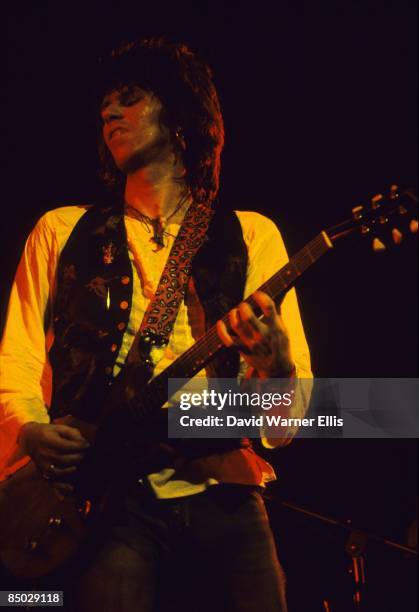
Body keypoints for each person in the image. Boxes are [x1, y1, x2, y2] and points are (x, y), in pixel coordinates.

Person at [0, 38, 312, 611]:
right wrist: (29, 430)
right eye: (104, 107)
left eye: (130, 99)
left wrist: (279, 366)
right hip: (102, 497)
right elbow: (17, 356)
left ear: (179, 113)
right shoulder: (61, 230)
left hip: (223, 489)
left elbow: (285, 424)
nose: (108, 113)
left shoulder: (253, 235)